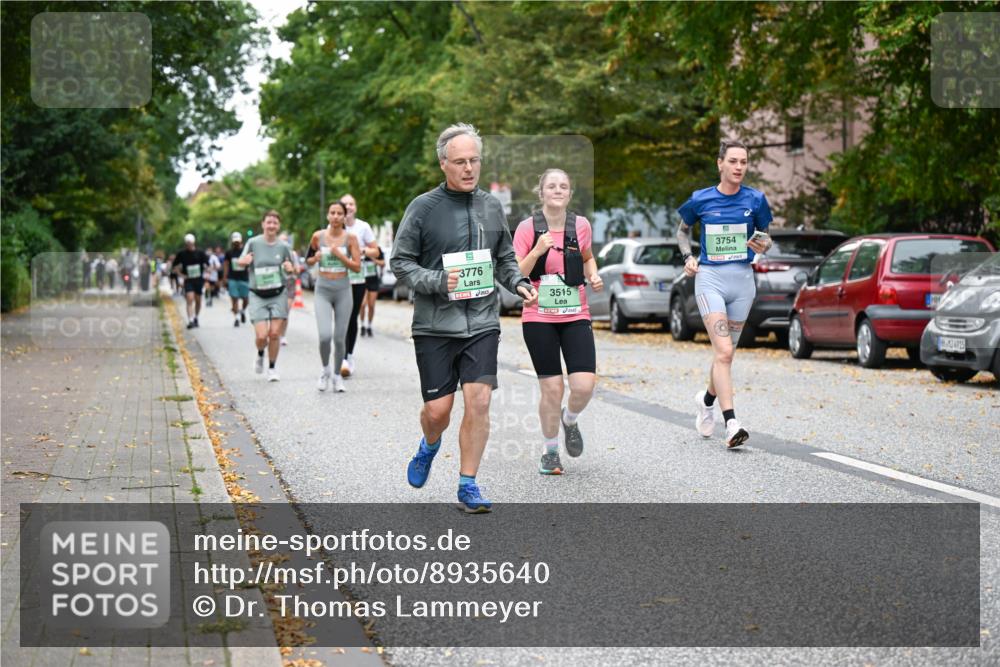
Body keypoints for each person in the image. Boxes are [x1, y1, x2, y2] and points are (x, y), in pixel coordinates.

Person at [391, 123, 538, 513]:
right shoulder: (422, 208)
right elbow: (400, 263)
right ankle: (429, 444)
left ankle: (468, 483)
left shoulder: (491, 206)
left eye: (474, 160)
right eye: (460, 161)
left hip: (482, 323)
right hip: (435, 325)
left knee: (479, 402)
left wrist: (518, 282)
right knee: (438, 412)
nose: (469, 168)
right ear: (443, 164)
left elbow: (504, 258)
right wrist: (438, 280)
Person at [676, 138, 773, 448]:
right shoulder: (700, 199)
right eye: (733, 161)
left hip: (743, 283)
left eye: (743, 162)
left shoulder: (756, 200)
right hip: (711, 281)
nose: (739, 167)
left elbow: (766, 238)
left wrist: (763, 245)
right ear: (720, 163)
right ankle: (732, 424)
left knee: (724, 354)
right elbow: (681, 231)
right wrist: (688, 258)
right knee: (725, 352)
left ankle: (705, 401)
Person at [513, 169, 603, 475]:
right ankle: (550, 451)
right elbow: (516, 272)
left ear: (569, 193)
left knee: (584, 386)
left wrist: (593, 273)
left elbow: (588, 256)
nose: (558, 190)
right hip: (538, 314)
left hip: (575, 312)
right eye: (551, 186)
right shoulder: (527, 228)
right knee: (552, 388)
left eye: (563, 185)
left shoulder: (581, 225)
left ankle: (570, 419)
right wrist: (538, 249)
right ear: (541, 193)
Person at [307, 201, 361, 393]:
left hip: (343, 290)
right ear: (328, 216)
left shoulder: (351, 238)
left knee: (339, 338)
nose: (336, 216)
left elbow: (357, 266)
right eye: (333, 213)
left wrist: (340, 256)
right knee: (324, 336)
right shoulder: (317, 236)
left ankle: (337, 376)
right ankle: (325, 370)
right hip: (323, 289)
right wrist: (315, 259)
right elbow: (308, 260)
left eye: (340, 213)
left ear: (344, 216)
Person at [237, 211, 296, 381]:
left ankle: (272, 368)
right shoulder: (253, 243)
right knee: (262, 336)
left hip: (278, 293)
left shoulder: (284, 247)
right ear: (263, 224)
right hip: (257, 294)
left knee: (275, 334)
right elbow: (240, 262)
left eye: (275, 223)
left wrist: (289, 268)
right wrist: (244, 261)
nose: (271, 226)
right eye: (268, 222)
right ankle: (260, 352)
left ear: (278, 226)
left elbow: (291, 267)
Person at [340, 194, 380, 377]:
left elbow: (376, 251)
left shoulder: (363, 227)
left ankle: (348, 355)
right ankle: (341, 356)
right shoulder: (333, 226)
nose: (348, 206)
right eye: (345, 204)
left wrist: (360, 250)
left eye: (351, 203)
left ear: (355, 207)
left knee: (352, 317)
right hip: (338, 278)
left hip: (357, 277)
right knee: (341, 318)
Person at [174, 234, 209, 328]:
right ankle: (190, 320)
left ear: (193, 243)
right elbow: (175, 266)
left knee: (198, 301)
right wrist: (181, 275)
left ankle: (196, 317)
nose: (188, 245)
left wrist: (207, 276)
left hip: (199, 280)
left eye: (190, 243)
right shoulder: (181, 254)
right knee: (189, 298)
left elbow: (208, 265)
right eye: (187, 243)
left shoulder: (200, 253)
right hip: (188, 280)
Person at [277, 232, 303, 346]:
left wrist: (293, 268)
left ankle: (282, 336)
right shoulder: (274, 253)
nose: (284, 242)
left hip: (290, 284)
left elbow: (297, 270)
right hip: (276, 285)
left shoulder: (292, 254)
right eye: (282, 240)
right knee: (276, 312)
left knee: (285, 311)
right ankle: (275, 333)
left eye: (286, 240)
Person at [223, 232, 250, 327]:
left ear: (241, 241)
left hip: (244, 278)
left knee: (246, 298)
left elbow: (250, 264)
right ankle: (237, 318)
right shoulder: (229, 253)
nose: (236, 244)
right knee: (234, 298)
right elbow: (226, 265)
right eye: (235, 242)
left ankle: (242, 311)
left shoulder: (245, 252)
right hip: (232, 278)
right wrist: (224, 278)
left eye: (238, 242)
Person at [359, 244, 385, 337]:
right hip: (362, 280)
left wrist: (374, 260)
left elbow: (383, 263)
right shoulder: (360, 247)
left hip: (373, 280)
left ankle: (369, 326)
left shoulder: (376, 249)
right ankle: (362, 325)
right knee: (362, 304)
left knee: (371, 305)